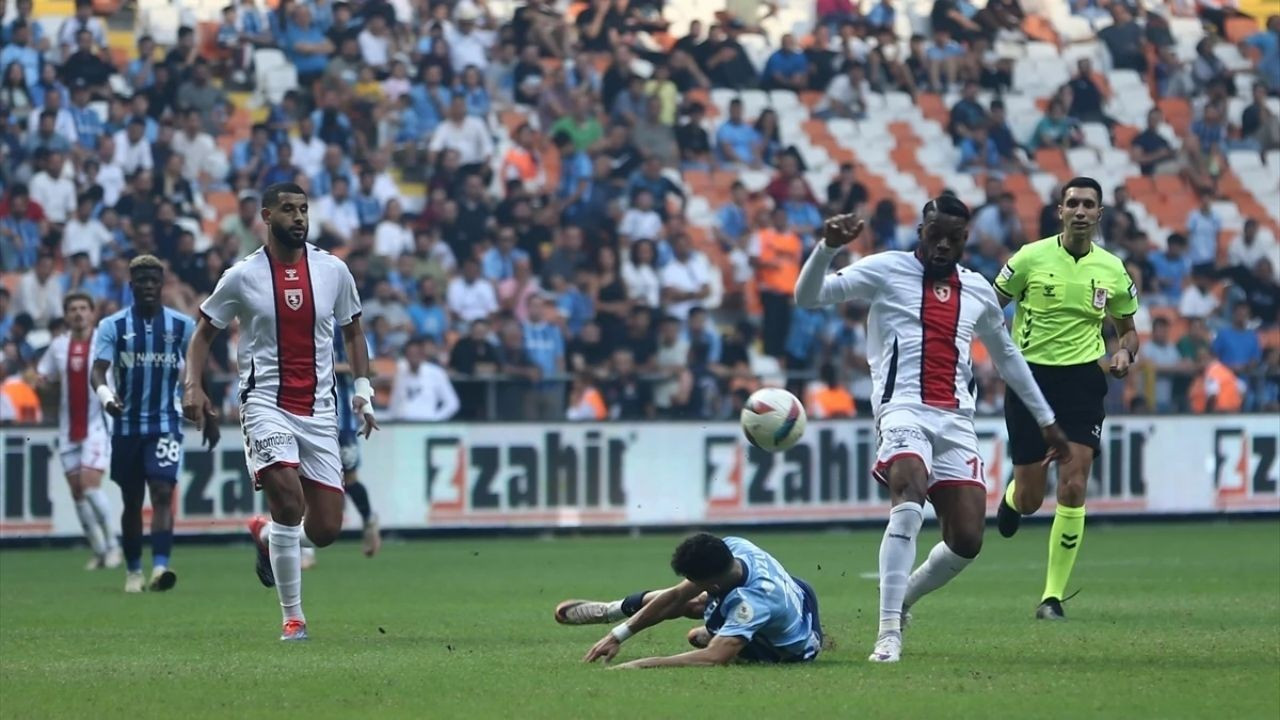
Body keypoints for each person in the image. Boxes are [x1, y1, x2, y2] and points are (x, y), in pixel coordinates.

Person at [794, 202, 1070, 663]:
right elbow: (809, 297)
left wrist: (1047, 420)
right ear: (921, 231)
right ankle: (887, 634)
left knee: (966, 540)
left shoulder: (978, 290)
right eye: (935, 234)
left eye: (954, 238)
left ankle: (902, 600)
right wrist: (827, 248)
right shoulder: (887, 269)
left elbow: (1008, 360)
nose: (943, 244)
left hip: (957, 421)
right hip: (902, 409)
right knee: (908, 504)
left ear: (966, 240)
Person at [183, 182, 376, 641]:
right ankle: (294, 619)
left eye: (304, 209)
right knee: (288, 501)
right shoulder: (242, 276)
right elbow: (203, 334)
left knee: (326, 528)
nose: (299, 217)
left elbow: (353, 331)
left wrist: (364, 390)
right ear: (266, 216)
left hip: (319, 410)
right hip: (264, 403)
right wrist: (194, 385)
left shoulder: (333, 270)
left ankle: (267, 536)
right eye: (288, 209)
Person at [992, 176, 1141, 621]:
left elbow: (1128, 329)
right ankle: (1015, 496)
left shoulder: (1113, 269)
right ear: (1059, 211)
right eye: (1072, 202)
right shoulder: (1029, 258)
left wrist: (1124, 353)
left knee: (1074, 484)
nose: (1079, 210)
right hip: (1030, 381)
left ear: (1099, 214)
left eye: (1088, 204)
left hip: (1082, 382)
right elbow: (987, 304)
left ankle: (1051, 598)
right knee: (1034, 499)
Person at [90, 256, 212, 593]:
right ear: (131, 286)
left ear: (162, 286)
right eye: (140, 280)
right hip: (126, 425)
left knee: (161, 492)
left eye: (152, 281)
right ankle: (133, 570)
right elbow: (97, 371)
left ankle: (160, 567)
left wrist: (205, 405)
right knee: (131, 500)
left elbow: (200, 368)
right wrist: (107, 397)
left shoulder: (182, 326)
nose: (147, 286)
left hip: (165, 422)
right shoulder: (112, 326)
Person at [566, 533, 823, 667]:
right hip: (799, 595)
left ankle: (730, 634)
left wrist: (641, 664)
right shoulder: (735, 547)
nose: (687, 583)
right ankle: (612, 609)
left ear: (713, 583)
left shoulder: (752, 604)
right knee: (691, 601)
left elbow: (713, 658)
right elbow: (676, 596)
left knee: (700, 631)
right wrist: (617, 635)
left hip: (794, 649)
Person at [34, 292, 121, 570]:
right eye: (73, 309)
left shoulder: (104, 341)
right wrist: (41, 384)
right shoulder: (58, 346)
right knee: (77, 493)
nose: (78, 314)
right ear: (66, 315)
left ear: (92, 313)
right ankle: (98, 550)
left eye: (83, 308)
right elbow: (43, 377)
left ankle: (113, 546)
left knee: (89, 485)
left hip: (98, 424)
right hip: (67, 427)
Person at [334, 331, 380, 557]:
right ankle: (306, 551)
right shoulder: (306, 320)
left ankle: (369, 520)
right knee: (305, 480)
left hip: (344, 421)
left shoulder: (347, 329)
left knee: (350, 478)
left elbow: (371, 368)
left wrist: (332, 368)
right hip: (310, 417)